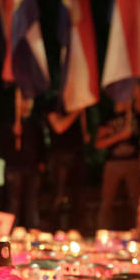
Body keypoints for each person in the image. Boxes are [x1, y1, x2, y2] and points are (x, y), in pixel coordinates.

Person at [96, 90, 140, 230]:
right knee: (107, 200)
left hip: (133, 162)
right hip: (114, 162)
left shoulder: (135, 114)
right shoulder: (108, 118)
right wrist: (120, 136)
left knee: (137, 199)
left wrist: (132, 82)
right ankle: (103, 230)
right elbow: (99, 144)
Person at [0, 97, 43, 228]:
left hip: (31, 166)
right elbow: (1, 145)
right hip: (15, 166)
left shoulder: (35, 123)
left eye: (29, 100)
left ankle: (32, 229)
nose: (27, 103)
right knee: (14, 202)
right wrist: (12, 134)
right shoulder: (10, 122)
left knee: (32, 201)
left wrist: (42, 161)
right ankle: (13, 229)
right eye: (24, 100)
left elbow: (41, 144)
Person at [46, 97, 87, 226]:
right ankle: (54, 228)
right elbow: (59, 127)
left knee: (78, 194)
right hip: (60, 155)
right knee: (59, 193)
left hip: (77, 154)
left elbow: (85, 135)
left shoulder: (78, 101)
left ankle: (76, 229)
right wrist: (77, 112)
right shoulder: (54, 104)